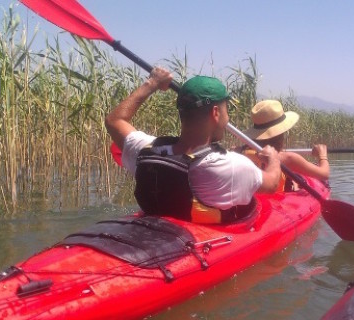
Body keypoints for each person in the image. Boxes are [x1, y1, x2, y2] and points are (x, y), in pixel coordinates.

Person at [105, 67, 281, 224]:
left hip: (152, 230)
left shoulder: (147, 151)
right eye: (226, 109)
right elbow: (272, 184)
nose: (228, 118)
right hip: (201, 241)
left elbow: (114, 121)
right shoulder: (231, 166)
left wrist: (152, 83)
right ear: (216, 112)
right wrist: (273, 159)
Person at [241, 100, 329, 192]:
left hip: (254, 201)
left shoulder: (242, 152)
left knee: (293, 180)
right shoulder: (287, 158)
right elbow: (324, 174)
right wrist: (322, 155)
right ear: (280, 134)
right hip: (276, 203)